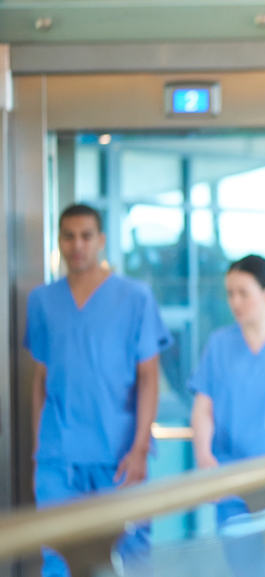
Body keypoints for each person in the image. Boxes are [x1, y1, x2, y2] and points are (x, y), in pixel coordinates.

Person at [25, 204, 171, 576]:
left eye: (86, 236)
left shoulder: (135, 297)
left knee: (128, 560)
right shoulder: (42, 301)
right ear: (58, 241)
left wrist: (140, 448)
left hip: (120, 454)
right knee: (58, 559)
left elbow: (149, 377)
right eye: (69, 236)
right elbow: (40, 380)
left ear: (101, 240)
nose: (77, 245)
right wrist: (41, 452)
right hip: (60, 457)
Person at [189, 254, 265, 577]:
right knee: (243, 567)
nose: (235, 302)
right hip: (230, 477)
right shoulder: (219, 344)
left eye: (244, 293)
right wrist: (204, 457)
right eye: (230, 294)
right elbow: (203, 407)